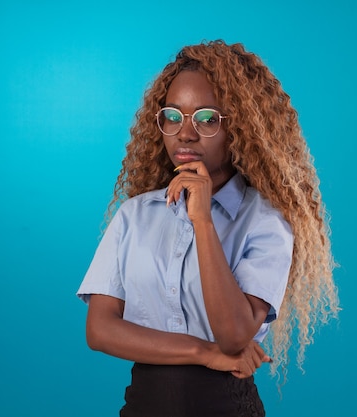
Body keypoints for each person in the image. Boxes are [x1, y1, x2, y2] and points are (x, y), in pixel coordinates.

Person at [77, 40, 339, 417]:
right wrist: (203, 352)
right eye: (173, 116)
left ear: (240, 128)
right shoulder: (135, 216)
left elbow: (234, 336)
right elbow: (100, 330)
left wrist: (202, 220)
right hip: (143, 407)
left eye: (206, 119)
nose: (185, 134)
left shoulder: (265, 222)